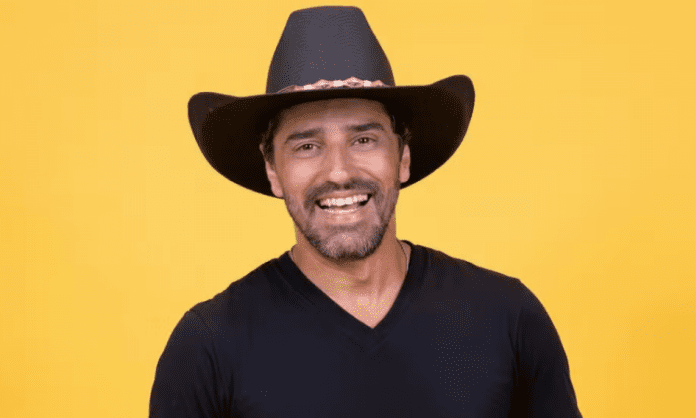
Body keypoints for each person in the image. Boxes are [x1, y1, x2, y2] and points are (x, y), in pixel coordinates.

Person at [150, 6, 582, 418]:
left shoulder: (509, 320)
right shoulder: (208, 348)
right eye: (307, 146)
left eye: (363, 140)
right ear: (273, 171)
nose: (339, 172)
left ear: (403, 157)